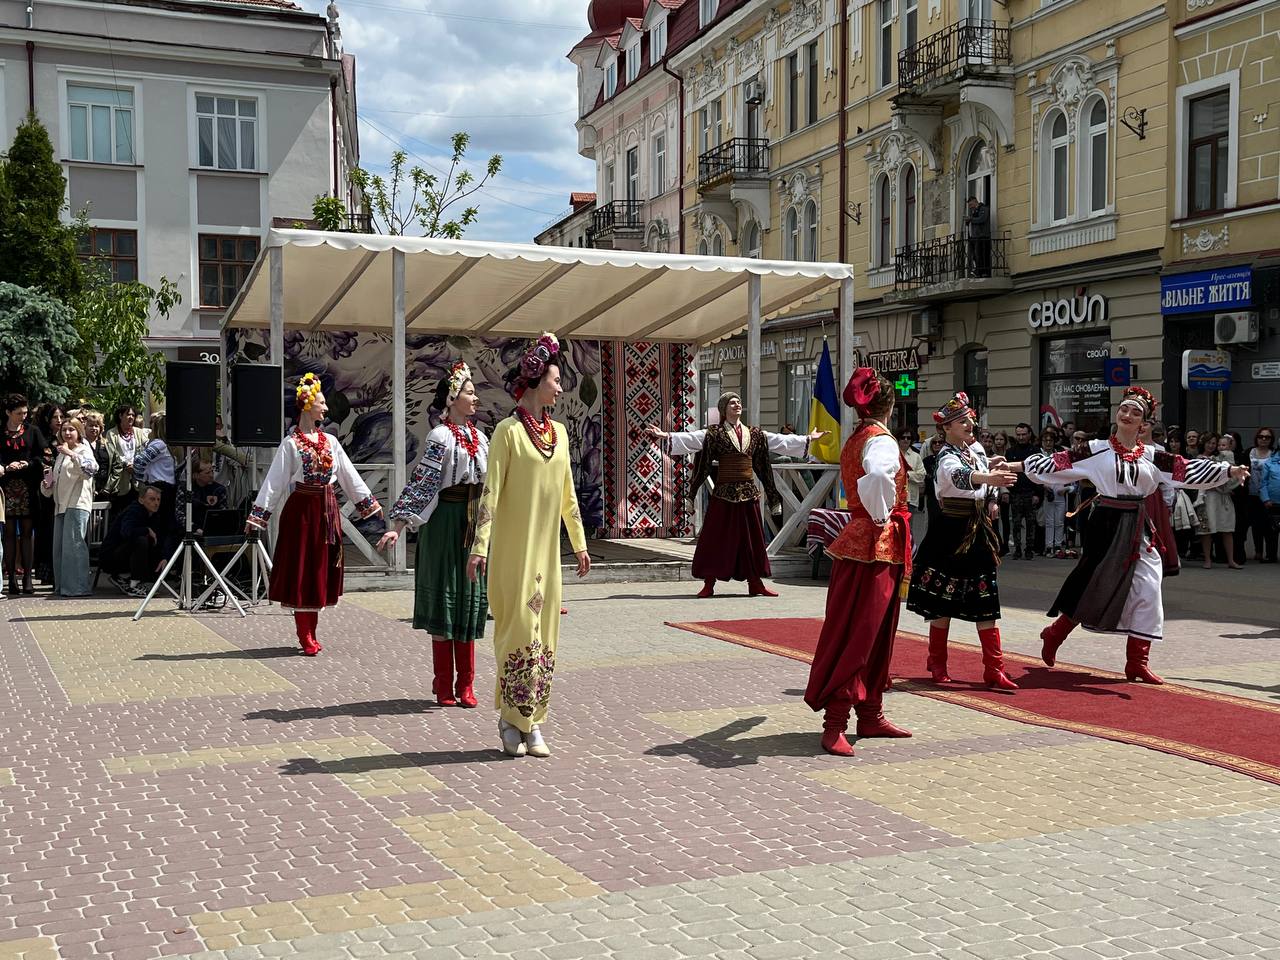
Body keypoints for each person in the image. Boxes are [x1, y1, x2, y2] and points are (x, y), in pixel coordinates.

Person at [1025, 388, 1246, 684]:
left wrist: (1228, 470)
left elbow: (1187, 470)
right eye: (1124, 410)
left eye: (1136, 412)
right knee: (1094, 586)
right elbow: (1058, 463)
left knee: (1149, 587)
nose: (1128, 415)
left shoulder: (1154, 456)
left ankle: (1137, 661)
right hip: (1106, 523)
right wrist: (1015, 466)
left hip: (1140, 526)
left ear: (1145, 424)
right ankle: (1055, 634)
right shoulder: (1096, 448)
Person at [467, 333, 590, 759]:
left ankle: (534, 720)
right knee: (517, 631)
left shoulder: (559, 433)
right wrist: (479, 547)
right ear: (538, 381)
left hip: (546, 556)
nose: (560, 387)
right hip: (512, 554)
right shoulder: (507, 432)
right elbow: (491, 492)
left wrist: (579, 543)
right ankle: (509, 719)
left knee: (546, 636)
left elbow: (567, 494)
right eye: (556, 379)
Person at [804, 368, 914, 757]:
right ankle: (836, 722)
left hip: (863, 541)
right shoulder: (880, 441)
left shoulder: (857, 437)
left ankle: (870, 713)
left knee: (873, 629)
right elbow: (880, 476)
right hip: (875, 542)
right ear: (891, 406)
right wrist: (883, 514)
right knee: (862, 631)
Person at [247, 373, 383, 656]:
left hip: (327, 510)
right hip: (302, 511)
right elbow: (274, 482)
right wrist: (259, 515)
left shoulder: (330, 442)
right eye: (321, 403)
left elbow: (348, 474)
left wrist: (368, 505)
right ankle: (304, 633)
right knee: (302, 568)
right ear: (307, 406)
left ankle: (312, 630)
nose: (325, 408)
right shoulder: (291, 444)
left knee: (320, 567)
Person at [379, 361, 489, 710]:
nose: (476, 399)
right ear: (453, 398)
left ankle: (467, 684)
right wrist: (397, 527)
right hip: (443, 523)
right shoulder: (440, 436)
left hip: (471, 523)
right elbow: (423, 484)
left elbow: (491, 485)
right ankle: (444, 683)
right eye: (470, 393)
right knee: (446, 596)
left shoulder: (480, 437)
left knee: (470, 598)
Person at [648, 393, 823, 598]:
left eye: (739, 401)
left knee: (751, 540)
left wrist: (808, 439)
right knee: (715, 538)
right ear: (724, 409)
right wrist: (666, 436)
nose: (737, 404)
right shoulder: (714, 434)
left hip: (748, 494)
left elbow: (778, 441)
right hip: (723, 494)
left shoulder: (755, 434)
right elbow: (693, 438)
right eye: (732, 402)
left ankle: (755, 582)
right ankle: (709, 583)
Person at [906, 393, 1019, 690]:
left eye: (969, 419)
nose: (971, 424)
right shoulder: (945, 457)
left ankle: (994, 668)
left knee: (986, 600)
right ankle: (937, 662)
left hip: (977, 532)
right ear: (947, 429)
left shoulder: (976, 450)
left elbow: (985, 476)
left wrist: (993, 496)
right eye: (962, 421)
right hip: (950, 533)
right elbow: (959, 478)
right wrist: (989, 479)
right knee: (944, 600)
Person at [39, 417, 98, 598]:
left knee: (75, 546)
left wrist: (72, 454)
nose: (67, 433)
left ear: (79, 432)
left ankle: (78, 587)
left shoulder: (83, 449)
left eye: (71, 429)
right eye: (64, 430)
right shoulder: (61, 454)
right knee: (60, 549)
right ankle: (64, 586)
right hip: (61, 505)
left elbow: (90, 470)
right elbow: (54, 484)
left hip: (77, 503)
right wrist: (47, 484)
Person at [2, 394, 46, 595]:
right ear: (8, 413)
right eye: (19, 413)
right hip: (6, 489)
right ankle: (11, 577)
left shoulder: (33, 431)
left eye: (25, 412)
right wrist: (4, 466)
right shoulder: (0, 433)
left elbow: (44, 455)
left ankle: (28, 576)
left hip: (27, 488)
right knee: (9, 535)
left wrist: (27, 463)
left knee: (27, 534)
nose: (23, 416)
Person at [102, 485, 169, 597]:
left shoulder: (155, 515)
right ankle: (134, 584)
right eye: (152, 499)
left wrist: (163, 557)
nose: (156, 503)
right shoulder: (133, 511)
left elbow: (159, 539)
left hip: (129, 554)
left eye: (158, 500)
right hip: (111, 557)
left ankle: (130, 580)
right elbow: (127, 532)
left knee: (157, 552)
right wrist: (146, 530)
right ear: (141, 499)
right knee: (141, 540)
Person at [1195, 433, 1241, 569]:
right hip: (1206, 497)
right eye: (1209, 442)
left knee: (1227, 528)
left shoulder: (1223, 457)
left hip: (1223, 497)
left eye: (1214, 443)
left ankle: (1231, 560)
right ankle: (1207, 559)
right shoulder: (1199, 458)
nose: (1211, 445)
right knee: (1207, 530)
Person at [31, 403, 65, 586]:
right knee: (47, 532)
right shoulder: (42, 438)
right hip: (47, 492)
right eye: (55, 418)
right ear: (47, 419)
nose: (59, 421)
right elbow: (43, 463)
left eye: (61, 417)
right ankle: (47, 572)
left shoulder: (66, 437)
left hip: (65, 492)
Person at [104, 404, 150, 520]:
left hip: (137, 481)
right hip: (121, 481)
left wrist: (136, 465)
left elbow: (147, 450)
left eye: (133, 415)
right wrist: (125, 464)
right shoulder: (112, 433)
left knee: (135, 515)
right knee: (120, 515)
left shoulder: (139, 432)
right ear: (120, 416)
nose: (131, 417)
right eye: (128, 414)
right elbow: (113, 453)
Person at [1006, 423, 1040, 559]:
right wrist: (1007, 491)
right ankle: (1018, 549)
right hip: (1016, 493)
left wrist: (1038, 493)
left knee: (1031, 523)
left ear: (1029, 434)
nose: (1021, 437)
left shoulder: (1036, 451)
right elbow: (1006, 472)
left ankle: (1029, 549)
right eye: (1018, 434)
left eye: (1023, 434)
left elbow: (1039, 474)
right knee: (1016, 523)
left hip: (1031, 493)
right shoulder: (1010, 452)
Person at [1248, 427, 1278, 562]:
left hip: (1268, 496)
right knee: (1256, 524)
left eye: (1267, 437)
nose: (1264, 439)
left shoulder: (1274, 455)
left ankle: (1270, 553)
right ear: (1257, 438)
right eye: (1261, 436)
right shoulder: (1250, 452)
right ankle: (1258, 551)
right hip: (1252, 493)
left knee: (1269, 525)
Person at [175, 459, 228, 535]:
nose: (211, 475)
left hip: (213, 532)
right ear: (195, 475)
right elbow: (180, 515)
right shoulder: (185, 488)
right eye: (207, 473)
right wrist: (195, 528)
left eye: (212, 471)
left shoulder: (219, 489)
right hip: (189, 532)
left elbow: (224, 514)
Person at [898, 428, 927, 546]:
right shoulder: (892, 454)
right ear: (898, 439)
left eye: (908, 438)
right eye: (903, 437)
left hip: (910, 498)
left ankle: (909, 556)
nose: (905, 440)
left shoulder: (916, 457)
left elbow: (921, 475)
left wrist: (907, 474)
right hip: (894, 498)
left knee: (908, 529)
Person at [80, 410, 113, 500]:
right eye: (91, 425)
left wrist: (108, 487)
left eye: (96, 426)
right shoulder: (80, 445)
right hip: (86, 490)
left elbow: (116, 465)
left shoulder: (107, 444)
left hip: (105, 490)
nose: (94, 428)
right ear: (85, 427)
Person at [1260, 446, 1280, 559]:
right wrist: (1266, 499)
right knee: (1271, 531)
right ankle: (1271, 555)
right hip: (1272, 502)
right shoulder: (1270, 463)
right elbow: (1263, 483)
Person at [964, 195, 991, 277]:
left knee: (982, 255)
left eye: (971, 205)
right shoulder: (974, 211)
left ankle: (983, 272)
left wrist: (971, 219)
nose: (970, 207)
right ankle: (977, 271)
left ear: (975, 201)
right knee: (976, 256)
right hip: (975, 237)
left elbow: (982, 219)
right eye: (969, 206)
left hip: (983, 236)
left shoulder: (984, 209)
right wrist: (968, 221)